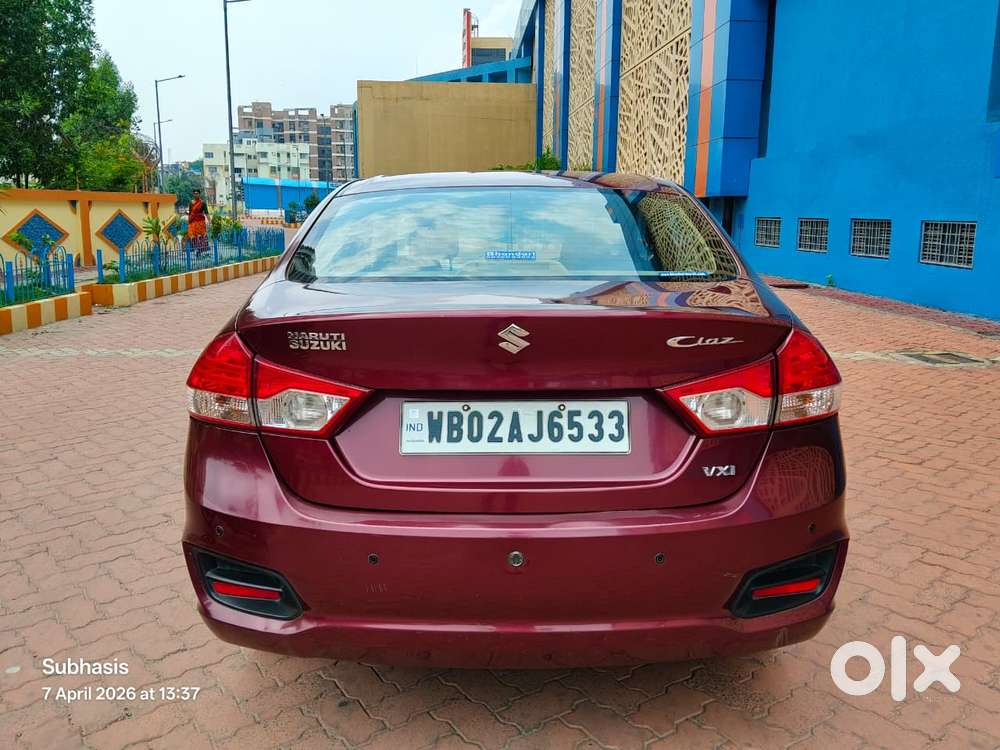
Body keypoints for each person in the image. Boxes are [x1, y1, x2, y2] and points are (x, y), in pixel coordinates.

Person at [188, 189, 210, 256]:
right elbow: (190, 213)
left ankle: (201, 250)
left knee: (201, 236)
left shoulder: (203, 203)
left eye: (197, 193)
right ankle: (196, 250)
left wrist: (210, 221)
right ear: (193, 194)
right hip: (193, 222)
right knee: (192, 236)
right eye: (194, 193)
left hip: (200, 222)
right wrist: (189, 220)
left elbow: (206, 213)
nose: (196, 194)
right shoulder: (191, 203)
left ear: (199, 194)